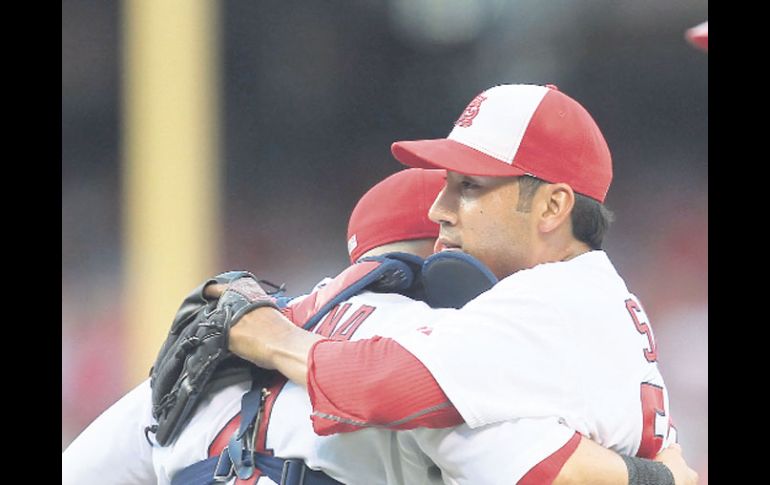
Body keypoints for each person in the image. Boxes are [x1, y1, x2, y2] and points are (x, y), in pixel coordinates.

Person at [62, 168, 694, 484]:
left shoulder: (221, 349)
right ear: (445, 259)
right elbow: (538, 470)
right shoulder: (430, 343)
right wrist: (660, 471)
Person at [212, 84, 698, 484]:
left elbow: (375, 386)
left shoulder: (548, 305)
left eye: (469, 186)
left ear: (552, 207)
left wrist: (261, 332)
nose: (438, 209)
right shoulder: (592, 297)